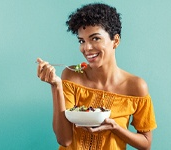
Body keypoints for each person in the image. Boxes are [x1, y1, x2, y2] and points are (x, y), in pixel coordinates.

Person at [37, 3, 157, 150]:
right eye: (82, 41)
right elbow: (64, 139)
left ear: (116, 41)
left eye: (95, 38)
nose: (86, 48)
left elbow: (146, 143)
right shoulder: (72, 75)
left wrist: (115, 128)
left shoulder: (136, 86)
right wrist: (56, 86)